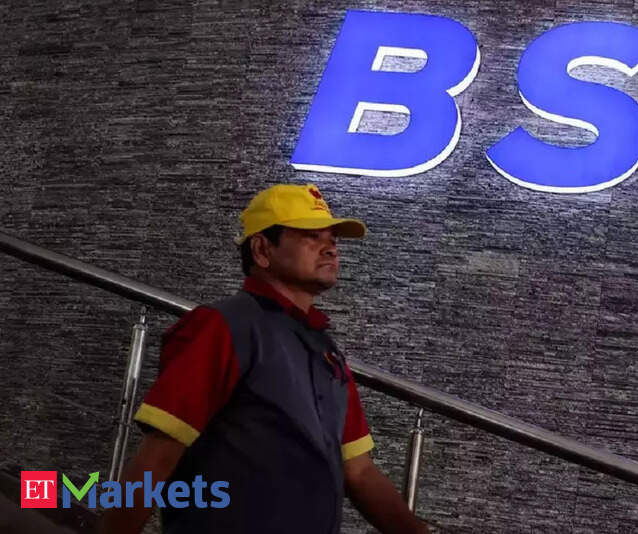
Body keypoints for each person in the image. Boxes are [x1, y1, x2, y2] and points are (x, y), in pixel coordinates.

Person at [99, 184, 428, 534]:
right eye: (311, 236)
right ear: (261, 249)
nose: (331, 248)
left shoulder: (326, 351)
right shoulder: (222, 326)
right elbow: (156, 458)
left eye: (333, 239)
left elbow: (359, 471)